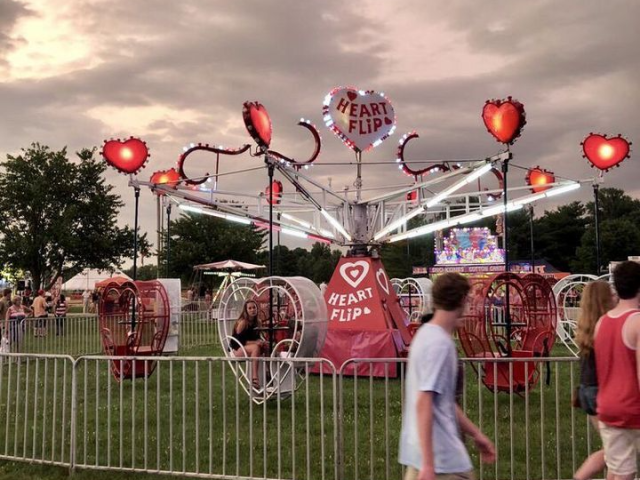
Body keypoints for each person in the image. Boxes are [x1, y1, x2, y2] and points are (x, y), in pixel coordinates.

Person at [400, 273, 495, 480]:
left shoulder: (424, 335)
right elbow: (424, 401)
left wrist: (476, 434)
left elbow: (442, 401)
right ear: (462, 300)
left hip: (420, 458)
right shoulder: (440, 344)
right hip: (443, 462)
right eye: (468, 300)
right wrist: (428, 464)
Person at [594, 261, 640, 480]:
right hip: (632, 408)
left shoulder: (602, 322)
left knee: (617, 470)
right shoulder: (636, 323)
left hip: (608, 406)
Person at [573, 281, 614, 480]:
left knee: (614, 449)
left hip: (586, 390)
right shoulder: (606, 326)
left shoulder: (586, 327)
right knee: (616, 450)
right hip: (601, 391)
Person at [231, 299, 265, 389]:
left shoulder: (258, 322)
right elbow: (237, 341)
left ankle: (269, 372)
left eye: (254, 307)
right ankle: (254, 379)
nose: (252, 310)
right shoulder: (243, 323)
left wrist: (261, 341)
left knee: (267, 346)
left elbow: (256, 337)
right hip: (237, 349)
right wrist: (255, 342)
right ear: (246, 310)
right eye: (250, 308)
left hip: (248, 347)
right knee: (256, 348)